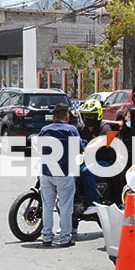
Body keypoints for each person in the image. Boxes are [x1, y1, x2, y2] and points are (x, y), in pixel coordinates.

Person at [38, 103, 80, 248]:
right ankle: (64, 239)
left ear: (53, 117)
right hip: (64, 173)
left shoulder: (44, 130)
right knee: (66, 207)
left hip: (46, 173)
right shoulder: (71, 130)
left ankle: (47, 237)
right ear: (67, 117)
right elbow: (78, 149)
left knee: (47, 206)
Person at [77, 99, 113, 216]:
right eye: (85, 115)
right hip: (86, 161)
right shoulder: (81, 128)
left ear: (98, 115)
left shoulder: (105, 128)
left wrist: (86, 148)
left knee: (85, 172)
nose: (87, 118)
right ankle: (73, 221)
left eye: (91, 115)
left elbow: (100, 143)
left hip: (105, 162)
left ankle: (93, 204)